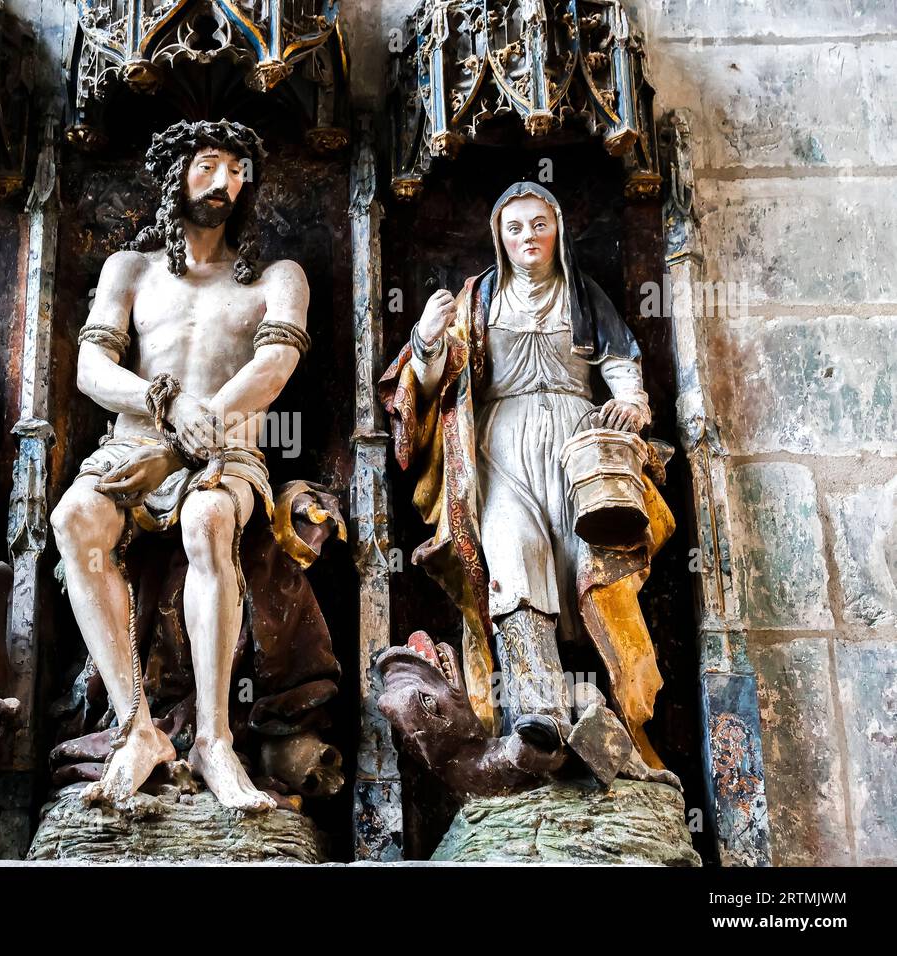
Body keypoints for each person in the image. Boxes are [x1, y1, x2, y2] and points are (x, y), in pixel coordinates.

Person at [51, 120, 311, 811]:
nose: (223, 182)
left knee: (208, 517)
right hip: (132, 439)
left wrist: (191, 439)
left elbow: (276, 364)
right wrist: (159, 404)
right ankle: (137, 729)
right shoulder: (129, 270)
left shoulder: (277, 277)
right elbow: (89, 367)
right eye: (207, 166)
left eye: (235, 170)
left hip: (227, 448)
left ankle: (215, 741)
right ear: (174, 178)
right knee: (73, 517)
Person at [379, 181, 673, 765]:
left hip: (577, 446)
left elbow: (620, 361)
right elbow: (431, 386)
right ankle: (536, 714)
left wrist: (634, 403)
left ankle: (623, 730)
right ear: (499, 237)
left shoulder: (583, 295)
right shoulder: (476, 300)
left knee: (592, 569)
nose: (527, 237)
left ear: (557, 228)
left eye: (538, 224)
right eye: (514, 228)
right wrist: (427, 341)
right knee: (513, 557)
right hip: (501, 452)